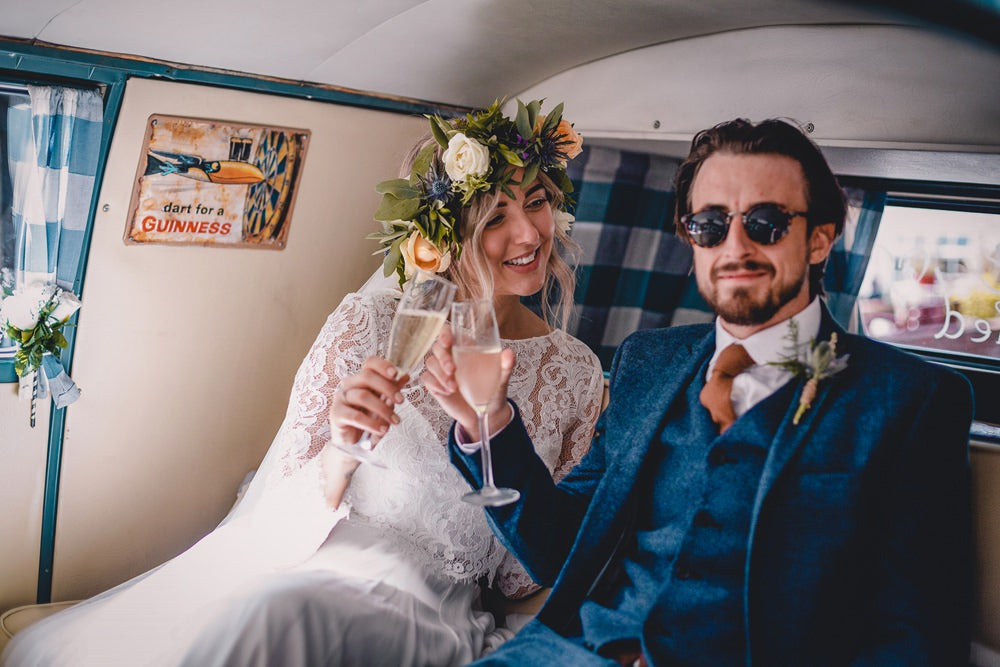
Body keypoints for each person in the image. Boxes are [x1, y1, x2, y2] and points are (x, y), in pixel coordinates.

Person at [1, 100, 604, 666]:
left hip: (427, 611)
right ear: (445, 234)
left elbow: (523, 573)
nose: (529, 234)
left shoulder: (577, 373)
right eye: (497, 216)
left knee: (275, 614)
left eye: (537, 202)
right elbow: (270, 509)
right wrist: (343, 451)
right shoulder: (368, 324)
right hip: (306, 566)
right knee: (265, 612)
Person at [428, 118, 974, 665]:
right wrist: (491, 422)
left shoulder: (912, 398)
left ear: (819, 239)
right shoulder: (648, 361)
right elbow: (561, 549)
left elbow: (914, 632)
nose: (735, 246)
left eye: (766, 222)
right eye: (710, 224)